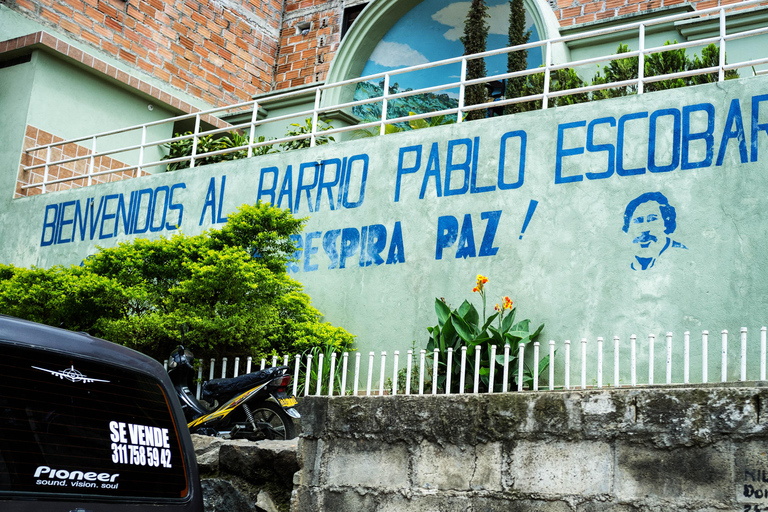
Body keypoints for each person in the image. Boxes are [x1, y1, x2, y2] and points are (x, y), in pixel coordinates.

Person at [622, 192, 687, 271]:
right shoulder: (621, 256)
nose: (645, 229)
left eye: (652, 220)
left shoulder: (680, 253)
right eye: (638, 221)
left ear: (665, 224)